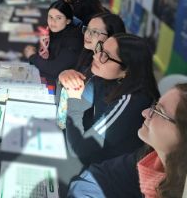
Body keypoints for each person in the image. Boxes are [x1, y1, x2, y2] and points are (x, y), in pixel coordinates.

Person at [68, 83, 187, 198]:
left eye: (159, 111)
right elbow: (98, 176)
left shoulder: (132, 98)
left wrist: (72, 101)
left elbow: (80, 149)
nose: (145, 113)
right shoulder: (149, 158)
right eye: (155, 106)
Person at [65, 33, 160, 165]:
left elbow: (79, 148)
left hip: (106, 172)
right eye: (100, 49)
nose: (95, 56)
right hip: (91, 159)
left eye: (106, 55)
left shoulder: (132, 100)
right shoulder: (102, 76)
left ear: (127, 69)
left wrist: (73, 98)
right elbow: (76, 111)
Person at [56, 13, 126, 129]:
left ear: (112, 37)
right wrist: (62, 77)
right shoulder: (87, 57)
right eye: (87, 29)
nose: (87, 34)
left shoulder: (105, 77)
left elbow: (72, 118)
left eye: (95, 32)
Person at [23, 0, 83, 83]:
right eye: (50, 17)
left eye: (58, 18)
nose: (52, 21)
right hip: (49, 78)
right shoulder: (50, 32)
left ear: (68, 21)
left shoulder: (74, 39)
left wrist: (32, 56)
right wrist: (34, 52)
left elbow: (55, 69)